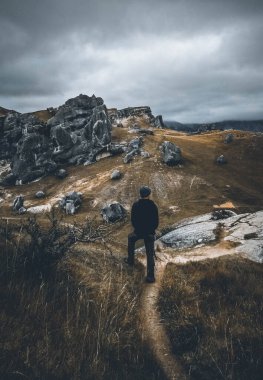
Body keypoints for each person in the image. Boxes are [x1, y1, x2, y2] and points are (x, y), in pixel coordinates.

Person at [124, 186, 159, 283]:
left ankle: (130, 261)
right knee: (150, 253)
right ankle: (150, 276)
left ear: (140, 194)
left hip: (138, 232)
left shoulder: (136, 205)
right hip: (149, 233)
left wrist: (138, 230)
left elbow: (133, 221)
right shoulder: (153, 205)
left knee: (130, 239)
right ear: (149, 194)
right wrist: (151, 230)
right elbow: (156, 222)